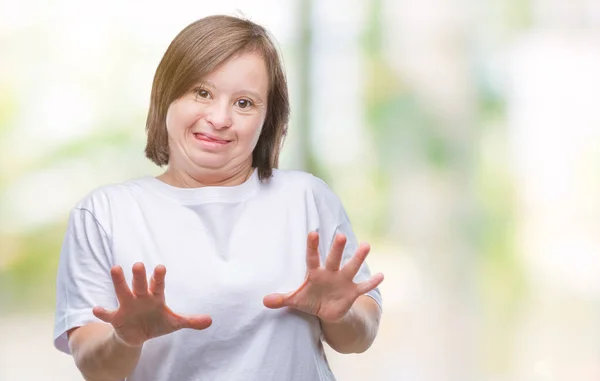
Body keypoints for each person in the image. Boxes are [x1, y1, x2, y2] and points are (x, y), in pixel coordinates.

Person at [53, 14, 384, 381]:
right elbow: (96, 369)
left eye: (244, 103)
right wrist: (125, 338)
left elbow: (359, 338)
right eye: (202, 93)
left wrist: (341, 313)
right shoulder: (104, 213)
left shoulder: (307, 198)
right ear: (167, 96)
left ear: (268, 119)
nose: (220, 117)